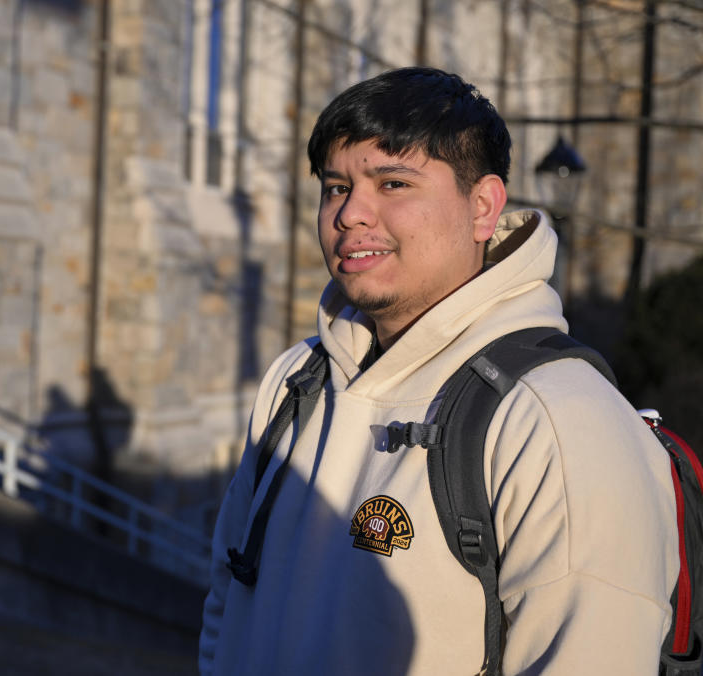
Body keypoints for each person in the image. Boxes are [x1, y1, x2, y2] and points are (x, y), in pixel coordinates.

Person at [198, 67, 679, 675]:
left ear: (483, 208)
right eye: (335, 186)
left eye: (393, 183)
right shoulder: (295, 383)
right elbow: (226, 607)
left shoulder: (557, 421)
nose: (350, 214)